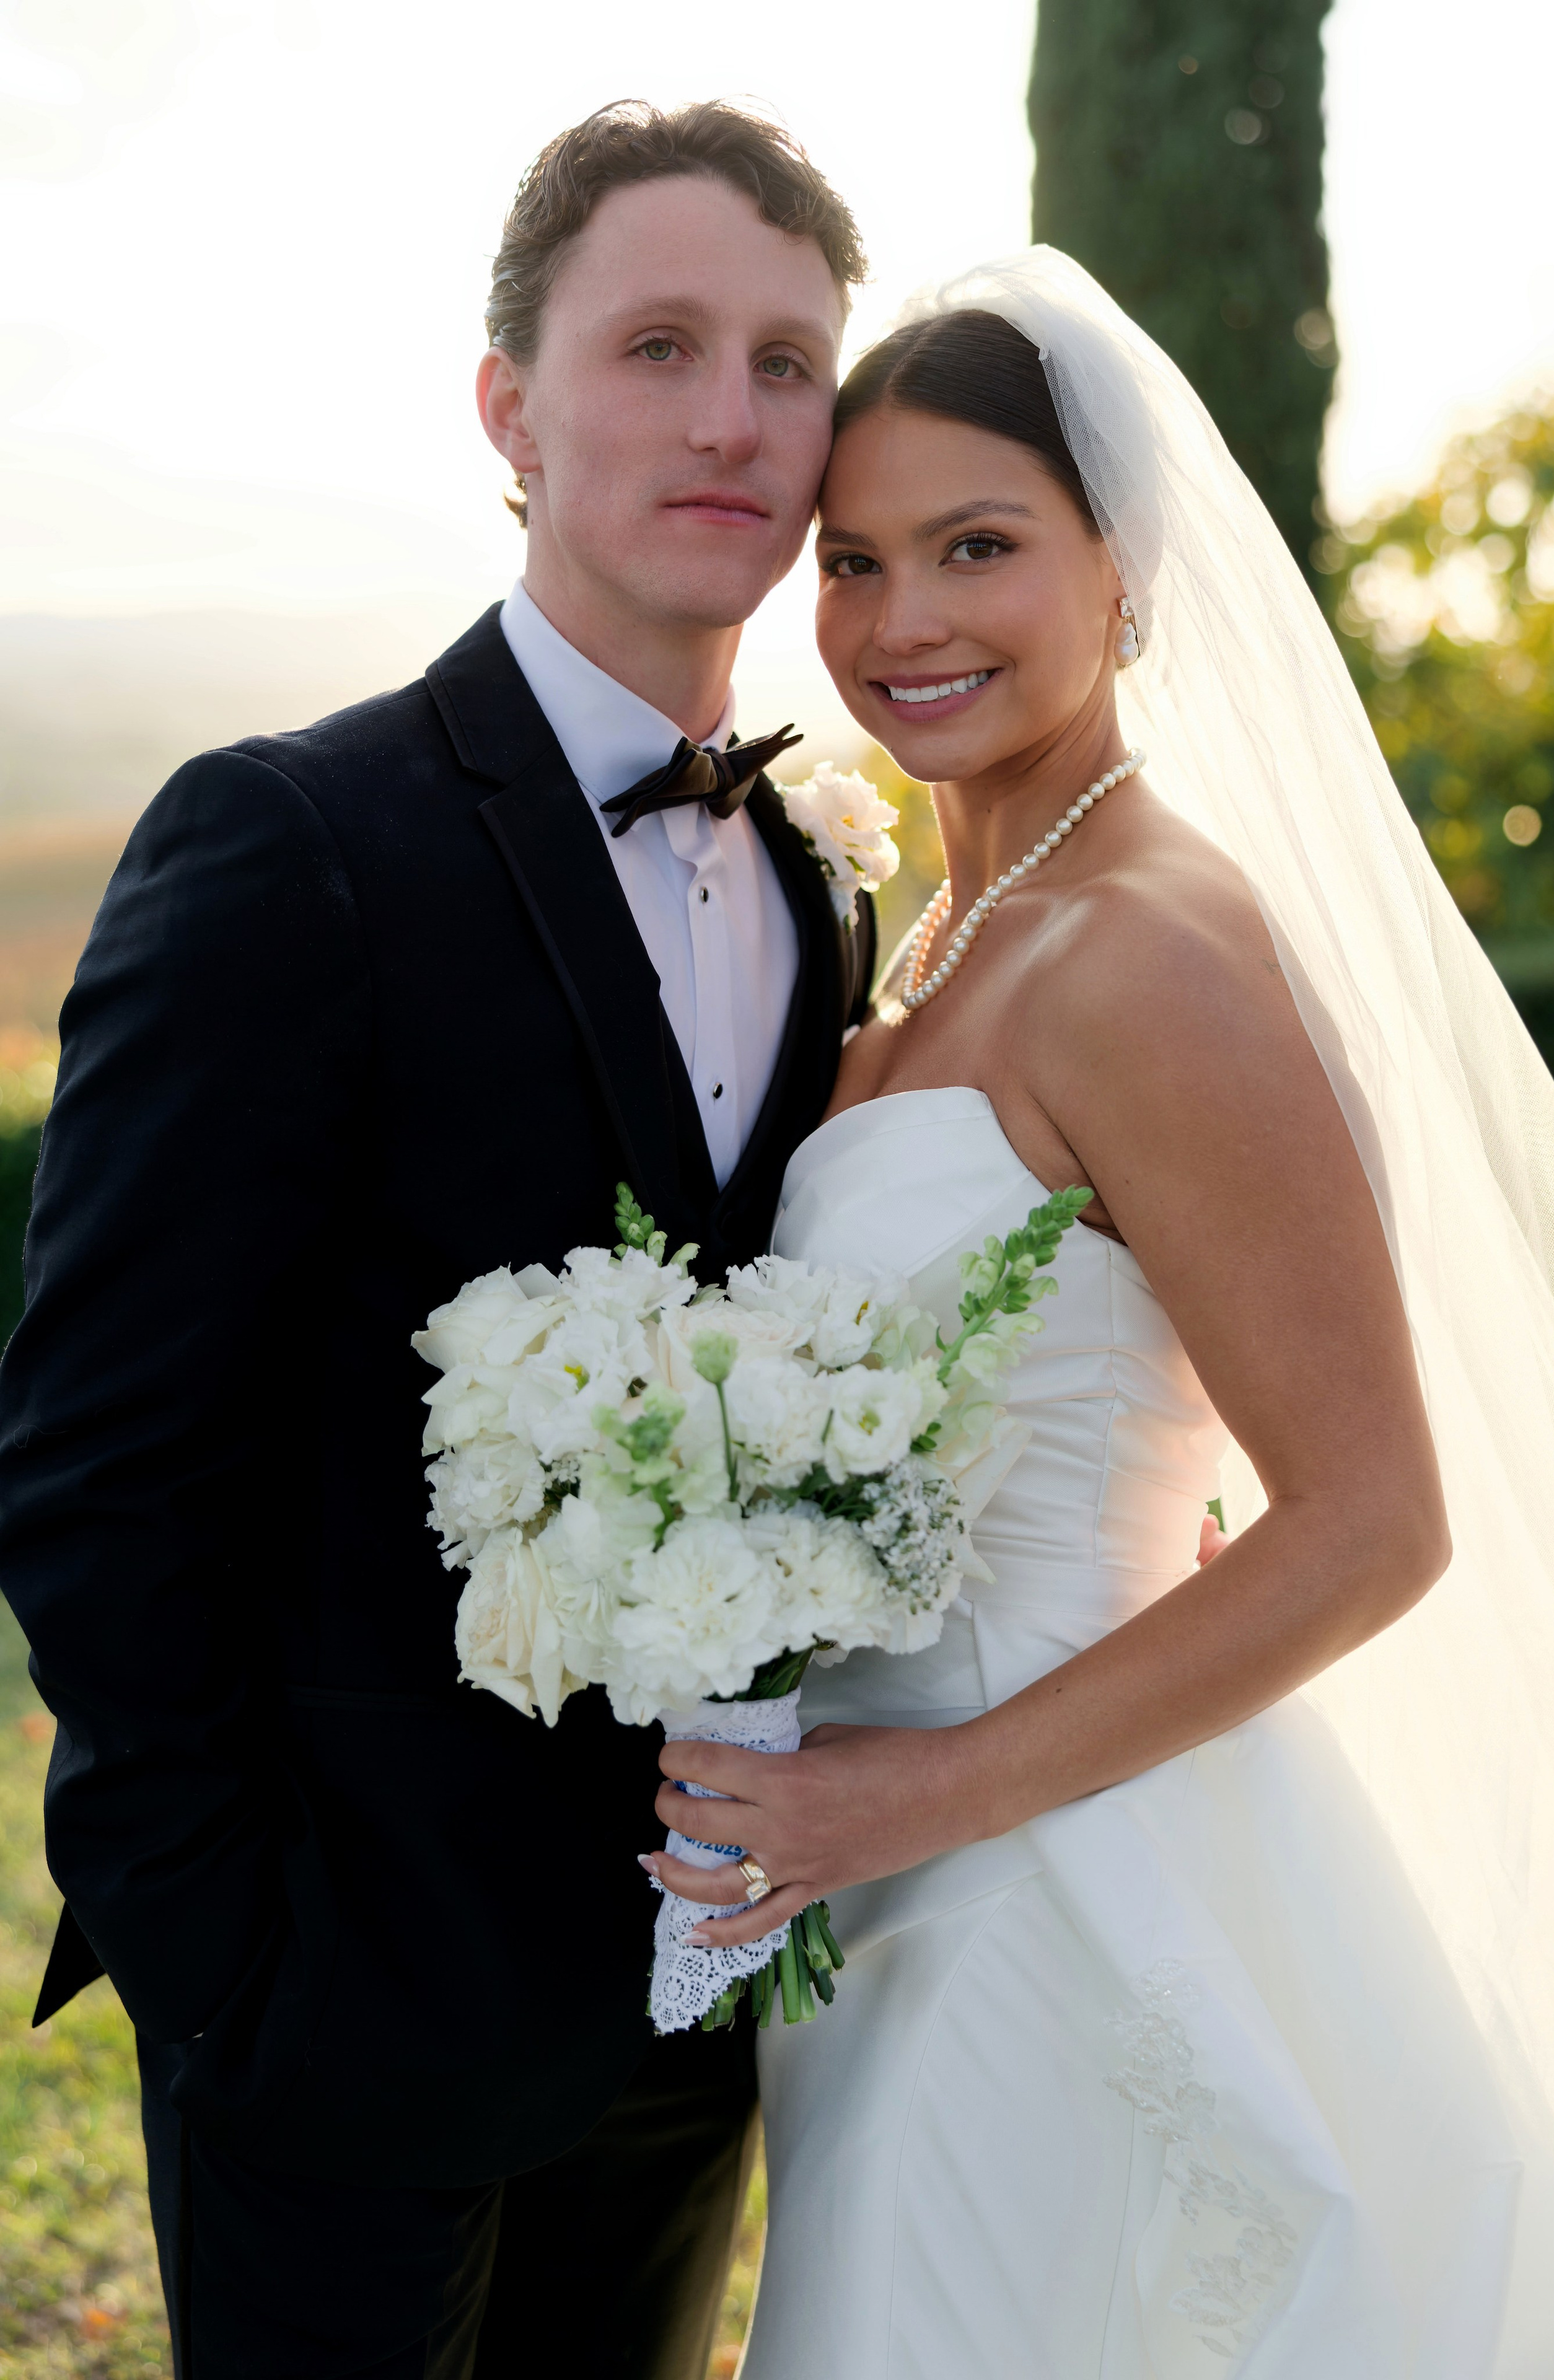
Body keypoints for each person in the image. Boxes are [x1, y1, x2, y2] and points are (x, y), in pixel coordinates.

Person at [646, 257, 1554, 2374]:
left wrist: (912, 1794)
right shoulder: (936, 938)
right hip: (880, 1894)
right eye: (860, 560)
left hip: (1050, 1893)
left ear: (1124, 566)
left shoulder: (1146, 947)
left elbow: (1373, 1520)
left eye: (981, 549)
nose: (905, 625)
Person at [0, 101, 872, 2380]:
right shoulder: (287, 842)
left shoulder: (831, 889)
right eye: (660, 342)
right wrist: (233, 1971)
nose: (730, 415)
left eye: (789, 362)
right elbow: (99, 1464)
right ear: (510, 404)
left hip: (685, 2025)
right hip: (338, 2024)